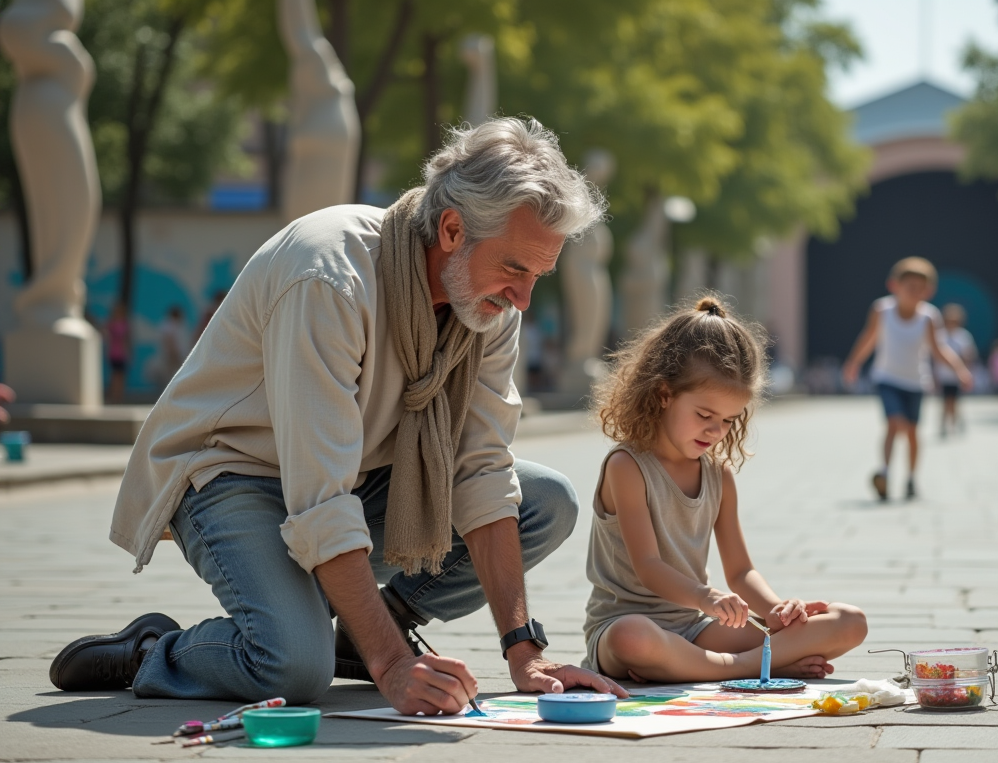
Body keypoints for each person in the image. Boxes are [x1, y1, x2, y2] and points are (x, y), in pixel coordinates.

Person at [48, 118, 626, 713]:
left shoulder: (489, 310)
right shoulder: (329, 274)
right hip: (231, 473)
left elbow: (481, 467)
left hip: (354, 477)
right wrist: (394, 667)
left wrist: (524, 650)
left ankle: (367, 628)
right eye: (514, 269)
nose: (523, 298)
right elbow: (318, 494)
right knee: (293, 669)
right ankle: (153, 650)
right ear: (452, 229)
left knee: (543, 500)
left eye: (538, 276)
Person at [582, 297, 867, 683]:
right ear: (664, 394)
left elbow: (741, 570)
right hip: (626, 626)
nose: (716, 431)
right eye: (704, 416)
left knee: (849, 622)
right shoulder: (627, 466)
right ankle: (754, 665)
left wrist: (777, 611)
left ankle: (719, 665)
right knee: (635, 639)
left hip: (698, 628)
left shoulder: (718, 475)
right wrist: (707, 597)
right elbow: (649, 568)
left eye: (729, 420)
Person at [842, 258, 973, 501]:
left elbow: (939, 349)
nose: (914, 292)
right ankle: (884, 473)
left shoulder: (929, 317)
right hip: (887, 378)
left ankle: (911, 478)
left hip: (916, 382)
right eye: (909, 286)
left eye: (919, 288)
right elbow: (869, 338)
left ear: (928, 291)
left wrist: (960, 370)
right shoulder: (881, 310)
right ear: (894, 286)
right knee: (894, 423)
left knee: (912, 432)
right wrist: (854, 363)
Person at [935, 303, 977, 437]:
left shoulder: (963, 336)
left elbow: (968, 356)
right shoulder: (939, 335)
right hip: (943, 375)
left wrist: (965, 373)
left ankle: (954, 423)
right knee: (944, 401)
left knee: (954, 401)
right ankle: (944, 425)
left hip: (957, 376)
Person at [150, 306, 191, 388]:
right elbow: (169, 340)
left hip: (174, 355)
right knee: (170, 377)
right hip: (172, 356)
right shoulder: (169, 325)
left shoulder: (173, 325)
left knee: (171, 377)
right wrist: (173, 354)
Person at [103, 301, 130, 403]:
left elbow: (127, 340)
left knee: (121, 375)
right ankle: (114, 395)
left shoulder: (125, 324)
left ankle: (119, 395)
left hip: (122, 353)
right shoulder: (111, 324)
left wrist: (128, 352)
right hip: (113, 353)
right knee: (115, 375)